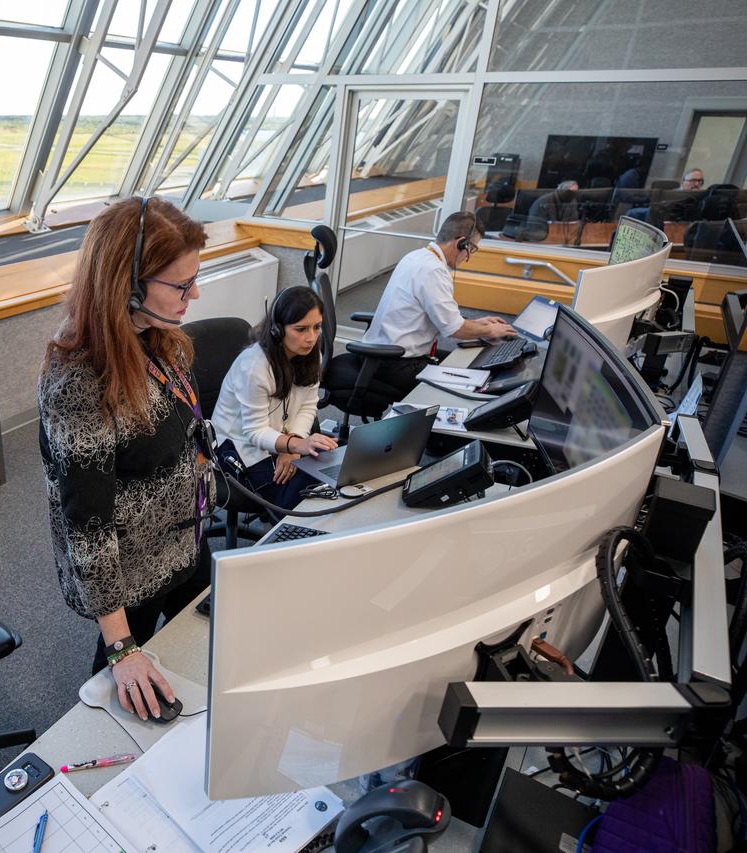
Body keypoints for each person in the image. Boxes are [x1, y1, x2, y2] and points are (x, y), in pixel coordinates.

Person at [38, 196, 213, 722]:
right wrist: (120, 647)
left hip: (184, 540)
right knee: (122, 701)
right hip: (127, 572)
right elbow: (86, 523)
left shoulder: (164, 342)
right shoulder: (79, 378)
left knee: (207, 657)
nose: (194, 294)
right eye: (181, 286)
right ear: (128, 285)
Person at [333, 212, 515, 394]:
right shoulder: (432, 270)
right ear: (460, 243)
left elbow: (445, 317)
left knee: (469, 365)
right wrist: (491, 330)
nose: (469, 257)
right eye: (471, 249)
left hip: (385, 355)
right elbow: (454, 329)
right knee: (469, 385)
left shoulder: (418, 256)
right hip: (395, 363)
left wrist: (477, 324)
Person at [212, 286, 338, 518]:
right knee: (291, 499)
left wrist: (295, 445)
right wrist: (294, 445)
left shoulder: (311, 355)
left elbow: (309, 405)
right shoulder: (254, 367)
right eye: (300, 329)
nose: (311, 337)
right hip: (241, 444)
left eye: (317, 327)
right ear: (278, 330)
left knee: (324, 477)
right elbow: (254, 432)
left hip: (282, 436)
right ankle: (285, 546)